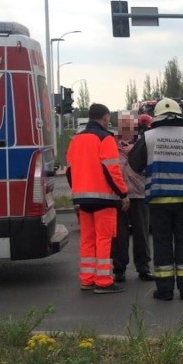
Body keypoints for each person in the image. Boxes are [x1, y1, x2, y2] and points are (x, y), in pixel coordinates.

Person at [128, 98, 183, 301]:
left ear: (157, 116)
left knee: (162, 243)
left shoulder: (148, 138)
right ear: (179, 115)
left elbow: (134, 165)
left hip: (159, 200)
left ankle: (165, 291)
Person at [66, 103, 129, 294]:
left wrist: (77, 191)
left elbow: (69, 170)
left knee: (87, 239)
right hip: (104, 199)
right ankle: (103, 280)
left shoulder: (76, 140)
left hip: (82, 198)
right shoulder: (106, 138)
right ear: (105, 118)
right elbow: (112, 170)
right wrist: (123, 193)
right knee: (104, 238)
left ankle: (87, 279)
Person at [110, 112, 154, 283]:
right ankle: (119, 269)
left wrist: (135, 151)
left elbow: (151, 165)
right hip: (119, 196)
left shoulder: (143, 144)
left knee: (141, 234)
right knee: (119, 235)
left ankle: (143, 268)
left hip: (139, 193)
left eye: (130, 125)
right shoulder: (111, 145)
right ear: (119, 127)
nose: (127, 129)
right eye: (124, 125)